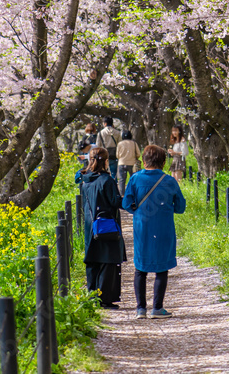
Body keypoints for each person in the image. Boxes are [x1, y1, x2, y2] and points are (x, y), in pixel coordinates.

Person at [122, 145, 186, 319]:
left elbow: (126, 204)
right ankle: (157, 308)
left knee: (140, 268)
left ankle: (140, 309)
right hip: (163, 228)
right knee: (162, 267)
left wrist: (138, 209)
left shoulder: (135, 179)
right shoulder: (170, 181)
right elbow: (180, 207)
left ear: (144, 160)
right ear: (163, 162)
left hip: (142, 227)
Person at [79, 147, 127, 308]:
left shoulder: (85, 180)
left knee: (93, 260)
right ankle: (104, 299)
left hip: (90, 225)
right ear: (106, 161)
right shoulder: (107, 181)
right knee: (108, 260)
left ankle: (92, 296)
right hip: (106, 225)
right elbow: (115, 202)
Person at [116, 130, 141, 195]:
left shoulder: (120, 143)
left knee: (121, 180)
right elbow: (138, 154)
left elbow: (117, 155)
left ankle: (122, 194)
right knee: (133, 179)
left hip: (121, 163)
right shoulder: (134, 143)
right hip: (132, 164)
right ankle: (133, 193)